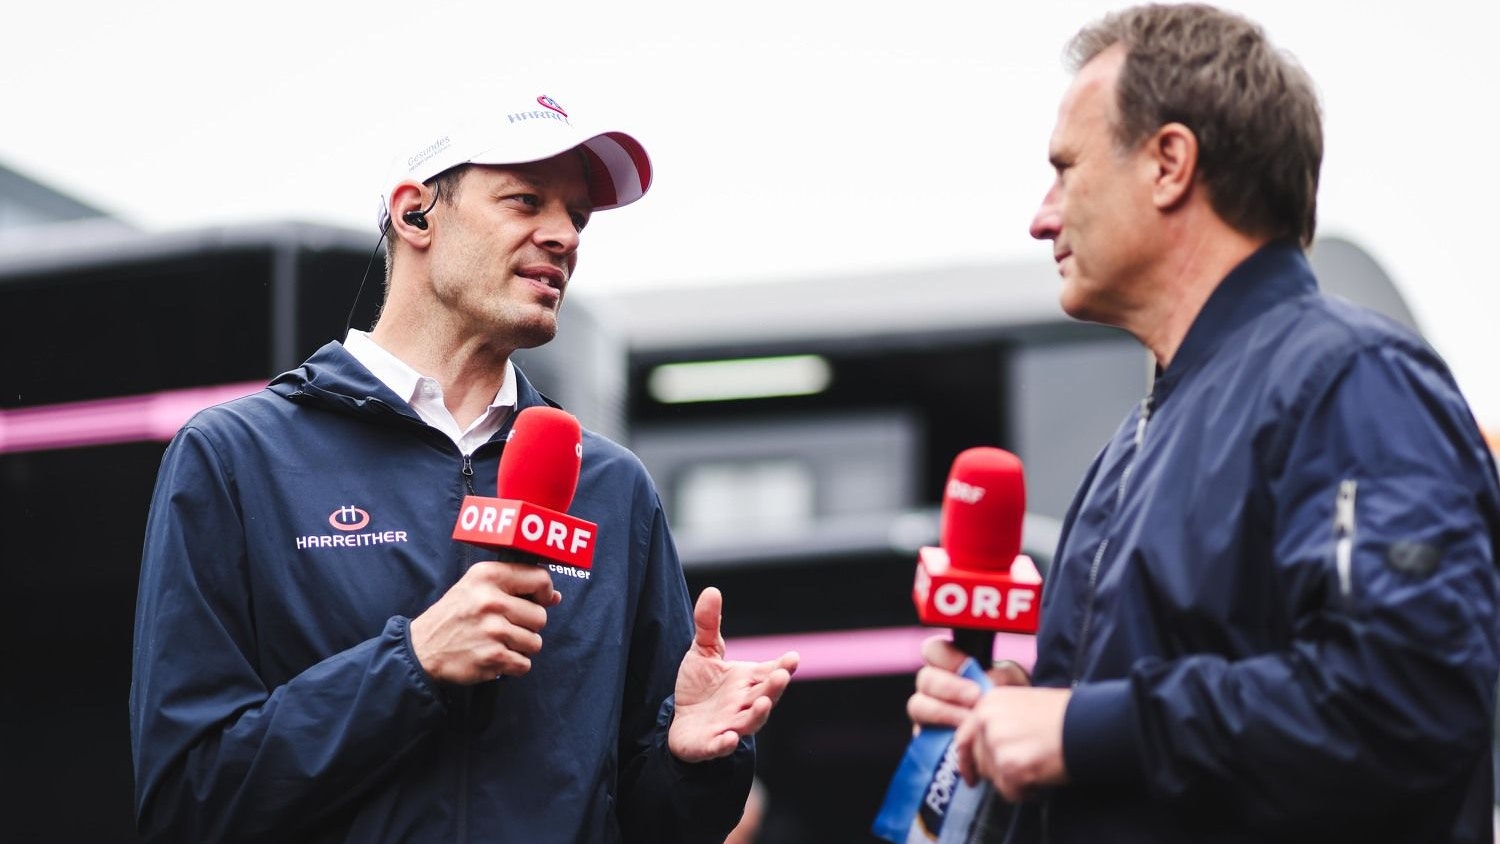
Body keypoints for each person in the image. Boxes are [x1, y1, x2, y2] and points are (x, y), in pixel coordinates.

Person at [130, 92, 798, 843]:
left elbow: (651, 823)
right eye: (526, 201)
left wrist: (691, 763)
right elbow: (187, 802)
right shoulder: (236, 458)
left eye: (576, 217)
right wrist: (410, 665)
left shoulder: (614, 489)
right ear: (416, 214)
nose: (563, 236)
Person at [907, 4, 1500, 842]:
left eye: (1066, 168)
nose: (1042, 216)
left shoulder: (1351, 380)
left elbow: (1405, 695)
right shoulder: (1131, 446)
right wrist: (1009, 728)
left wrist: (1082, 729)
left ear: (1169, 163)